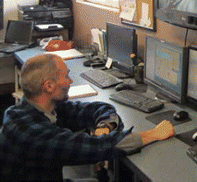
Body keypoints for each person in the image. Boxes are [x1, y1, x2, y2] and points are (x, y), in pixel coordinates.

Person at [0, 53, 175, 181]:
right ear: (49, 86)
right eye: (66, 76)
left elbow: (99, 108)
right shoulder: (29, 134)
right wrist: (154, 134)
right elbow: (96, 147)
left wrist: (104, 127)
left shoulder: (38, 108)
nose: (70, 81)